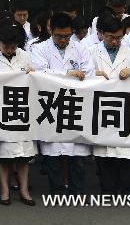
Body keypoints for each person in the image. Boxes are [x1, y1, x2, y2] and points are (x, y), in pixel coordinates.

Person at [29, 12, 94, 195]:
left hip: (75, 105)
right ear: (51, 30)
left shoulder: (80, 48)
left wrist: (69, 76)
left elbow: (88, 73)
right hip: (51, 105)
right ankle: (56, 190)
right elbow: (40, 73)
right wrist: (67, 75)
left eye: (66, 36)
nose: (63, 39)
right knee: (53, 151)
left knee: (77, 152)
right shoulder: (40, 49)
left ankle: (78, 191)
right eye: (59, 36)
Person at [88, 15, 130, 196]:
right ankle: (108, 191)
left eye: (118, 38)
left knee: (127, 154)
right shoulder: (91, 52)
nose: (115, 41)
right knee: (105, 154)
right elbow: (82, 76)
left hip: (126, 111)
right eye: (110, 37)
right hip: (100, 109)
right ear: (101, 34)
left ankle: (129, 192)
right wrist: (95, 73)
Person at [0, 25, 36, 206]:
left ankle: (24, 190)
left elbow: (35, 81)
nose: (11, 50)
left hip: (22, 110)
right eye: (7, 46)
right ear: (0, 43)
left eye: (14, 47)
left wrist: (32, 75)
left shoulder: (26, 56)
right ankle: (5, 190)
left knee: (23, 156)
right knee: (4, 155)